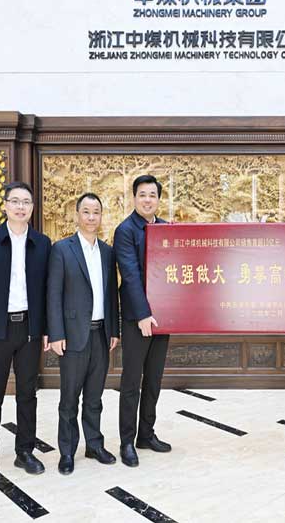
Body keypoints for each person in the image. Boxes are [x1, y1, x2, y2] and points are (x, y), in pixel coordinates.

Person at [0, 181, 51, 484]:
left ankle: (24, 451)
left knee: (28, 393)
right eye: (15, 201)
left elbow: (48, 291)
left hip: (29, 329)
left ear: (32, 208)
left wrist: (47, 329)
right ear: (5, 205)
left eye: (26, 202)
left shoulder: (42, 243)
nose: (20, 207)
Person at [47, 192, 120, 474]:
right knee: (69, 399)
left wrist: (113, 329)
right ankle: (67, 451)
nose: (91, 217)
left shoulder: (107, 252)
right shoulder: (62, 249)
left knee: (94, 397)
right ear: (77, 215)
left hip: (101, 334)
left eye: (96, 212)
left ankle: (94, 445)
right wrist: (55, 334)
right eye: (86, 212)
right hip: (73, 335)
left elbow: (111, 295)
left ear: (101, 216)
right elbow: (53, 294)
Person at [115, 174, 172, 467]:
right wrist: (142, 314)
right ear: (134, 198)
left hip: (162, 318)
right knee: (131, 381)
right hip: (137, 319)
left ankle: (146, 434)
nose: (148, 200)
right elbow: (131, 275)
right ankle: (126, 441)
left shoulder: (165, 228)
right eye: (142, 195)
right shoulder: (125, 230)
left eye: (152, 195)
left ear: (158, 199)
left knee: (153, 379)